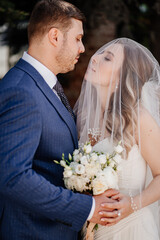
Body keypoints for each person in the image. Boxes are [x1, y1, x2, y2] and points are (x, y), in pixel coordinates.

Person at [0, 1, 118, 239]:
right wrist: (89, 208)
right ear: (55, 36)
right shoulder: (22, 90)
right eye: (77, 38)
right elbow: (13, 176)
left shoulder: (45, 84)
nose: (83, 48)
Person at [74, 38, 160, 239]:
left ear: (122, 76)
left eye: (107, 58)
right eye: (100, 54)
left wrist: (131, 205)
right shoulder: (85, 118)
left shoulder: (138, 118)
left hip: (132, 229)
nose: (94, 59)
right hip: (94, 232)